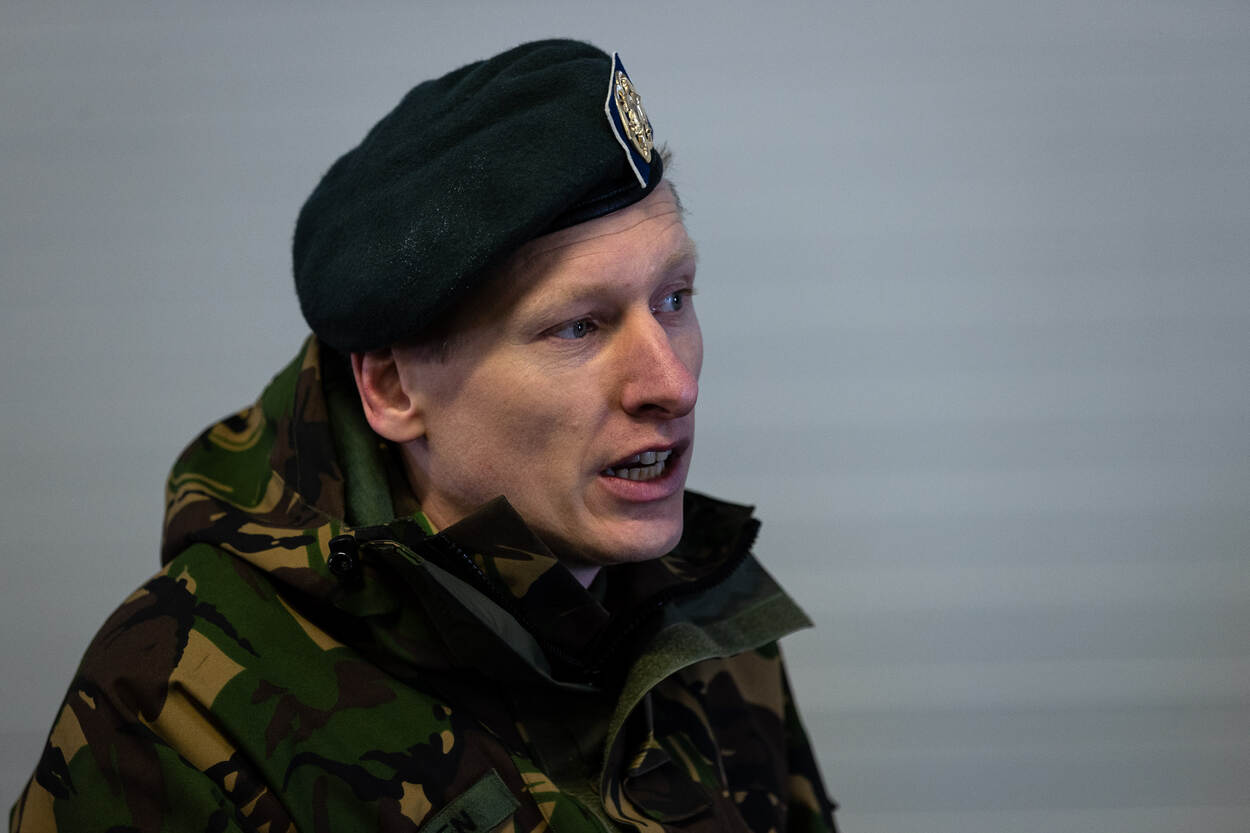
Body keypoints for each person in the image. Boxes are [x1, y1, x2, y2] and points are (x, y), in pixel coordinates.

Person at [11, 40, 837, 833]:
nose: (674, 383)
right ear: (394, 388)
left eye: (674, 298)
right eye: (578, 326)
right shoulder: (176, 706)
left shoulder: (701, 607)